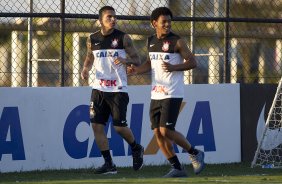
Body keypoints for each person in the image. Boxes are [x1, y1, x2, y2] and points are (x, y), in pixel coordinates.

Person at [127, 7, 205, 178]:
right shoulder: (150, 41)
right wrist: (137, 70)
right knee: (157, 132)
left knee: (166, 131)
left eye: (169, 21)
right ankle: (177, 167)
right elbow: (149, 63)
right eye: (164, 22)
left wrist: (173, 67)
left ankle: (195, 152)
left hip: (172, 93)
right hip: (156, 94)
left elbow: (193, 62)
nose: (168, 24)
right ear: (154, 23)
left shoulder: (177, 41)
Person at [81, 5, 144, 174]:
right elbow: (89, 57)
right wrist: (85, 69)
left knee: (119, 128)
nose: (113, 19)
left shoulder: (123, 38)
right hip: (98, 89)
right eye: (109, 17)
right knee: (96, 126)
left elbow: (137, 60)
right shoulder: (92, 39)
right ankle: (109, 164)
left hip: (118, 89)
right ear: (100, 20)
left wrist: (124, 60)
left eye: (114, 17)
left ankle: (136, 148)